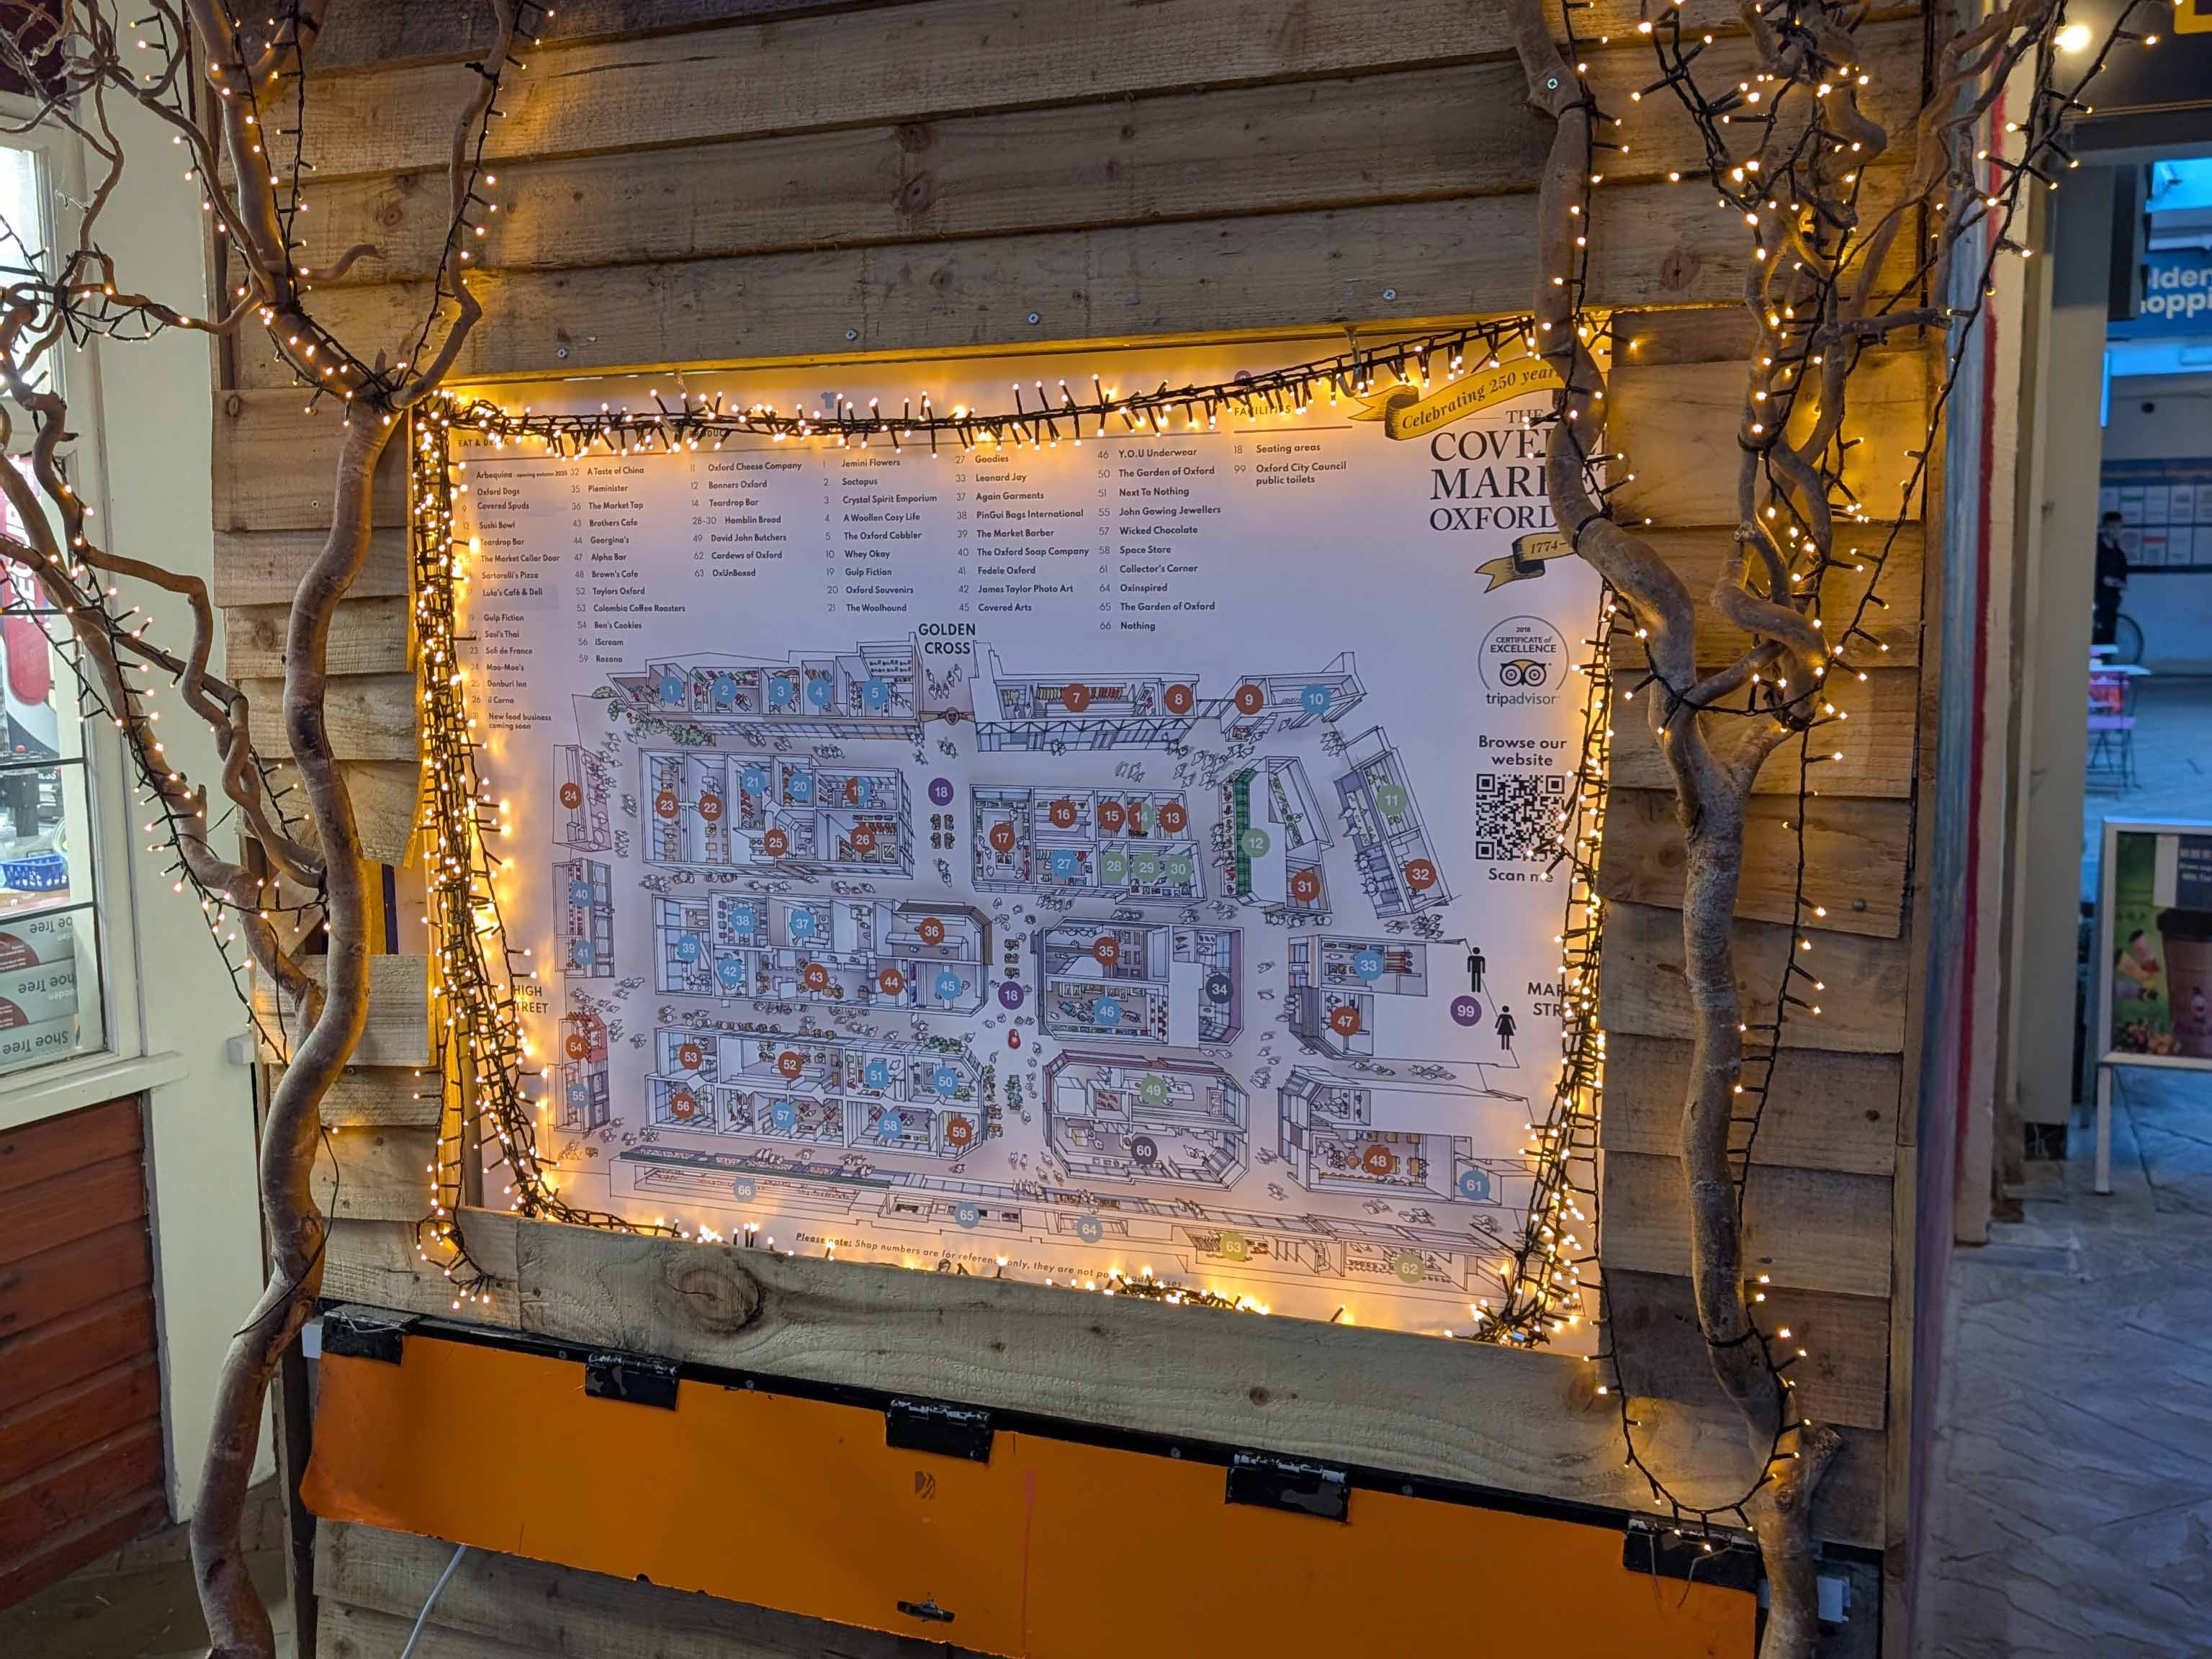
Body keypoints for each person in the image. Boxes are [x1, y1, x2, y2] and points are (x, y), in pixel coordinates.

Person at [2094, 510, 2128, 648]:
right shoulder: (2096, 548)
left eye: (2118, 527)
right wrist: (2106, 580)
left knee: (2109, 634)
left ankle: (2106, 663)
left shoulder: (2119, 552)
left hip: (2112, 600)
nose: (2115, 531)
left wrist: (2118, 582)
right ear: (2105, 527)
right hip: (2098, 598)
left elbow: (2123, 574)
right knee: (2098, 634)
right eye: (2112, 527)